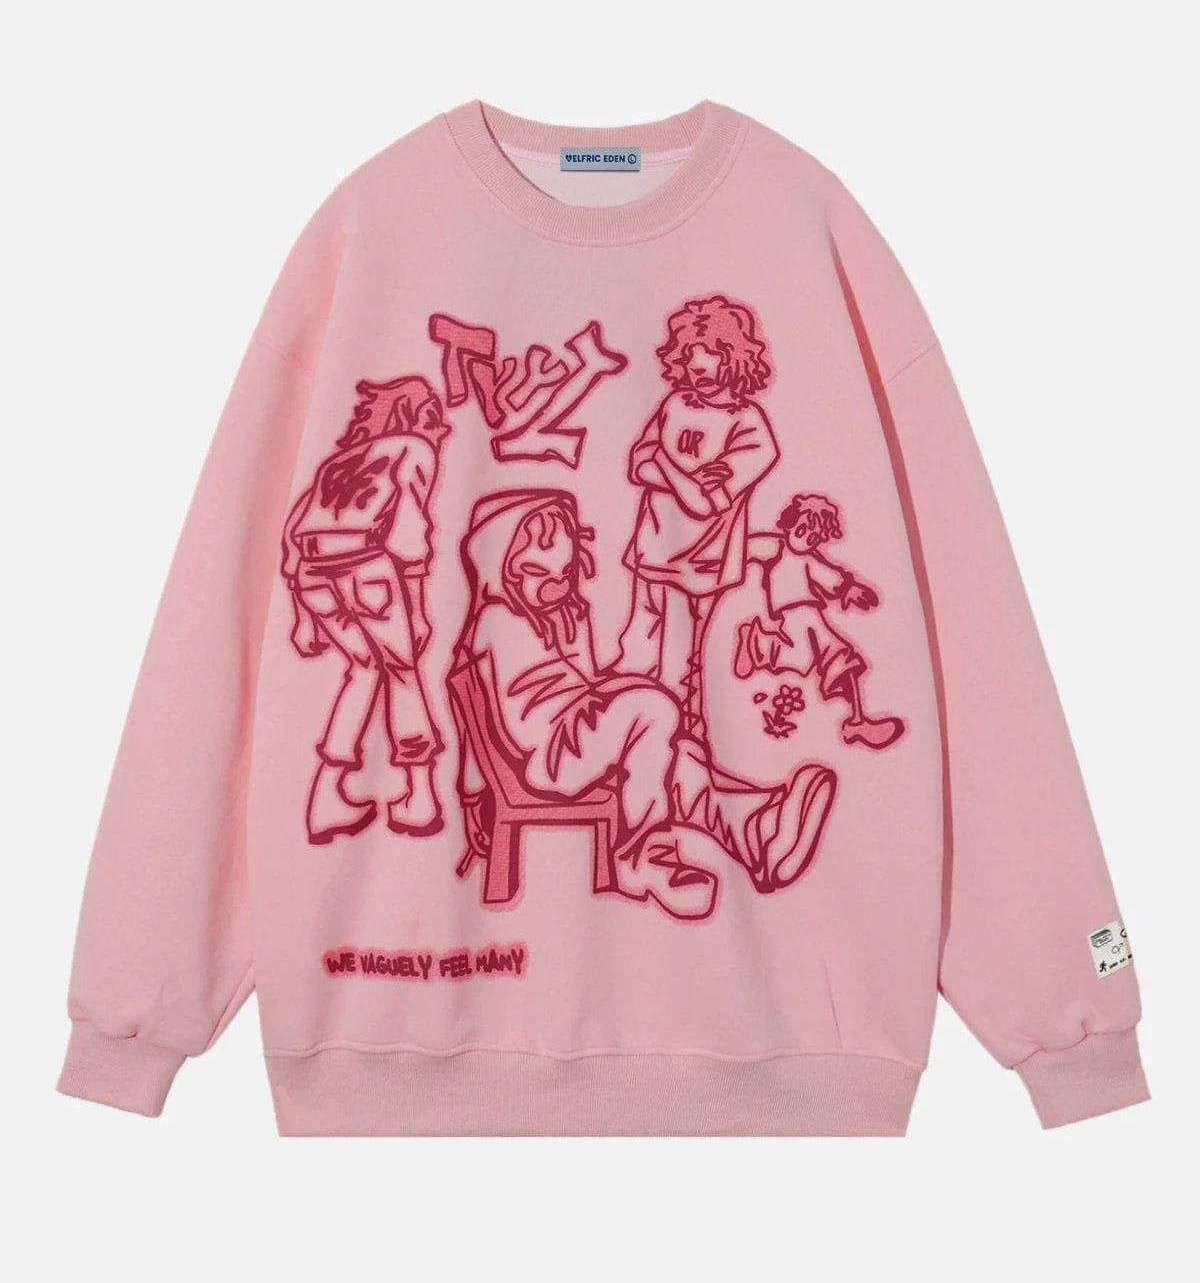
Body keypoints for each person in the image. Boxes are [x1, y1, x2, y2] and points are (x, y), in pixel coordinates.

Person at [453, 488, 837, 920]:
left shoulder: (565, 617)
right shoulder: (496, 620)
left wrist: (609, 675)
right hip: (550, 755)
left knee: (676, 755)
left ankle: (756, 832)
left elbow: (587, 687)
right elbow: (475, 722)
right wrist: (474, 797)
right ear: (499, 563)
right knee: (651, 710)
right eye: (535, 570)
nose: (556, 584)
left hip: (577, 738)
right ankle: (641, 855)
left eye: (565, 571)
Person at [281, 375, 448, 843]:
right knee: (403, 673)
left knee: (363, 670)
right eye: (430, 412)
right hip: (366, 569)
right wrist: (417, 605)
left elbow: (295, 531)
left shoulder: (339, 461)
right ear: (412, 413)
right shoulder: (412, 448)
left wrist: (302, 616)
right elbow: (410, 527)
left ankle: (326, 798)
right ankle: (419, 795)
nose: (438, 422)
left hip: (314, 575)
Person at [618, 295, 779, 733]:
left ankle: (687, 740)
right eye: (688, 357)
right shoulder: (674, 404)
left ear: (733, 357)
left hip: (705, 566)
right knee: (638, 653)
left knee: (691, 665)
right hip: (652, 553)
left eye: (706, 356)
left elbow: (704, 503)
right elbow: (637, 465)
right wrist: (686, 477)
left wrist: (664, 462)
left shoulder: (751, 426)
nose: (695, 367)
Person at [735, 492, 904, 750]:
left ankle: (857, 721)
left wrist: (850, 589)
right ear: (789, 523)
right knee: (803, 657)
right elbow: (739, 547)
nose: (805, 539)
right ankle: (755, 641)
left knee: (837, 658)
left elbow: (832, 577)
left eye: (813, 537)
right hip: (792, 619)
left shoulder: (811, 561)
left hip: (812, 619)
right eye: (801, 529)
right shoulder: (774, 547)